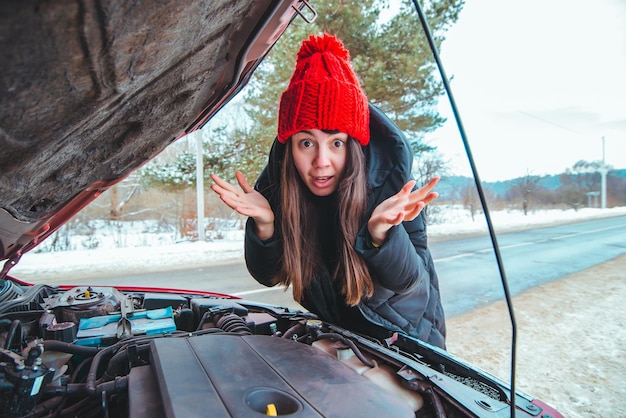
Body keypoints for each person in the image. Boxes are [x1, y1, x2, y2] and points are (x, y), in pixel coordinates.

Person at [211, 33, 446, 349]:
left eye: (336, 143)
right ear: (289, 147)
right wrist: (265, 225)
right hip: (338, 337)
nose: (321, 162)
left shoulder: (392, 186)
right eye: (306, 143)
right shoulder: (282, 189)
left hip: (404, 343)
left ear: (353, 146)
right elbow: (270, 276)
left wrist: (380, 235)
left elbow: (409, 280)